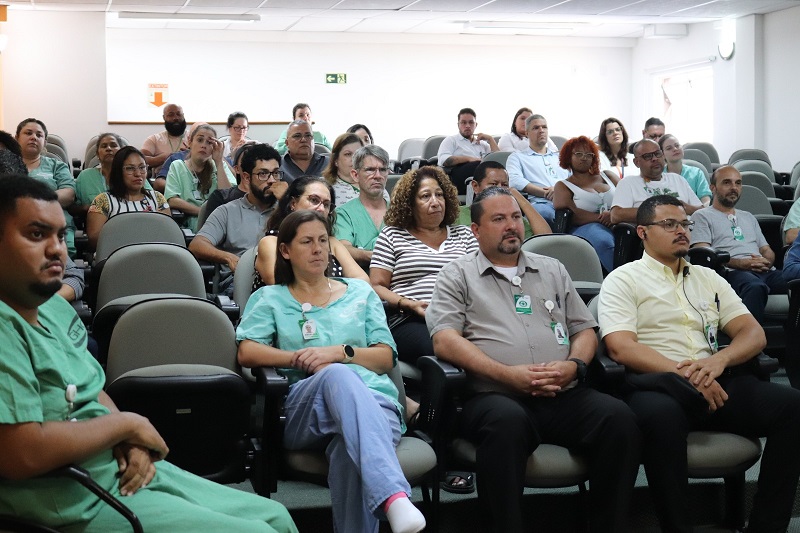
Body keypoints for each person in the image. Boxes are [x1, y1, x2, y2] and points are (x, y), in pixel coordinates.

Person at [0, 175, 298, 533]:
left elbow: (91, 389)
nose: (56, 250)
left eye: (61, 236)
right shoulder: (4, 326)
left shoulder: (53, 308)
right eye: (36, 234)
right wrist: (126, 425)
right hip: (69, 498)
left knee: (277, 517)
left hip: (115, 469)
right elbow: (22, 454)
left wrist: (128, 440)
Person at [426, 186, 641, 533]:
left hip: (562, 392)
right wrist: (506, 375)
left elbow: (584, 329)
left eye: (515, 217)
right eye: (499, 219)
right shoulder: (457, 274)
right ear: (476, 230)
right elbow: (445, 341)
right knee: (506, 424)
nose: (512, 225)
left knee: (620, 420)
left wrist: (574, 366)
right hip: (495, 396)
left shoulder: (552, 269)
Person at [599, 194, 800, 533]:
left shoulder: (709, 278)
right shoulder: (623, 279)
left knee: (793, 408)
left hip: (714, 379)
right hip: (659, 384)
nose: (682, 231)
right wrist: (688, 376)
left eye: (685, 224)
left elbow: (753, 333)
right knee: (661, 418)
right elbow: (620, 347)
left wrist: (721, 359)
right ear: (642, 232)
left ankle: (766, 526)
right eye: (669, 224)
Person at [237, 209, 426, 533]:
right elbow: (247, 351)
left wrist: (342, 352)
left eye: (323, 241)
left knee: (347, 451)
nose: (318, 249)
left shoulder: (360, 293)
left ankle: (391, 503)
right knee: (337, 375)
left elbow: (385, 358)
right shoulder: (270, 297)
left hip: (376, 403)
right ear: (285, 250)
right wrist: (299, 358)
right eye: (307, 242)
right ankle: (393, 496)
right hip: (304, 409)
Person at [370, 166, 477, 367]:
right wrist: (408, 304)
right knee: (446, 348)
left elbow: (480, 280)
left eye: (439, 195)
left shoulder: (464, 234)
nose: (435, 202)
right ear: (410, 204)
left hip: (464, 316)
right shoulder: (392, 235)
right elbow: (377, 286)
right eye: (425, 196)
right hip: (412, 319)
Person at [690, 166, 787, 322]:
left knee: (795, 279)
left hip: (764, 271)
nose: (734, 188)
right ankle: (749, 336)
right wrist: (741, 263)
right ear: (713, 188)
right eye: (727, 183)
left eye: (738, 183)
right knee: (755, 287)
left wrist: (767, 262)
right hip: (730, 272)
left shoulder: (748, 217)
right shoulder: (702, 216)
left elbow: (766, 249)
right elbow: (702, 252)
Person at [190, 144, 282, 295]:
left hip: (282, 281)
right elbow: (197, 245)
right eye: (263, 174)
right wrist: (228, 258)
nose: (272, 180)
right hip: (239, 282)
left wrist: (287, 203)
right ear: (246, 177)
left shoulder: (287, 211)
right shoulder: (227, 211)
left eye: (276, 173)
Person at [253, 176, 367, 289]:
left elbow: (363, 281)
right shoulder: (271, 242)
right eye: (314, 200)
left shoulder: (332, 243)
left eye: (326, 204)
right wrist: (335, 292)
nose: (321, 209)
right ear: (293, 203)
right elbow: (281, 288)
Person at [86, 147, 171, 248]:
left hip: (153, 252)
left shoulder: (157, 198)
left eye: (142, 167)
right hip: (115, 253)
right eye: (130, 168)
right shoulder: (103, 201)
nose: (138, 174)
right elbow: (94, 240)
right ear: (118, 172)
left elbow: (168, 233)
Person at [16, 118, 76, 258]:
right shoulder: (5, 165)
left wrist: (36, 201)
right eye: (28, 133)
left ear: (45, 142)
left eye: (39, 135)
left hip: (54, 225)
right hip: (14, 225)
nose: (34, 137)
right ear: (16, 138)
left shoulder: (57, 166)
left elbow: (69, 193)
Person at [553, 136, 616, 271]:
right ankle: (623, 280)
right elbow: (571, 215)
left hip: (618, 220)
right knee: (603, 241)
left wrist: (614, 216)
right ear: (568, 157)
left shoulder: (608, 176)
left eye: (589, 154)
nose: (584, 158)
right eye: (578, 154)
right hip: (586, 227)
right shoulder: (562, 185)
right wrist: (602, 218)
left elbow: (627, 197)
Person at [610, 139, 702, 224]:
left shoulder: (678, 179)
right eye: (647, 156)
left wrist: (685, 208)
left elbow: (701, 210)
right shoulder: (628, 183)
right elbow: (616, 215)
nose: (654, 159)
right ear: (637, 162)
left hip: (688, 230)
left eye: (657, 154)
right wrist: (663, 211)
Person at [455, 160, 551, 239]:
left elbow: (546, 240)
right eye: (493, 184)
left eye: (504, 185)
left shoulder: (513, 218)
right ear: (475, 186)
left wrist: (520, 199)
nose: (499, 189)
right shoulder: (457, 215)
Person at [164, 124, 234, 232]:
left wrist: (219, 161)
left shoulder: (220, 166)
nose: (204, 145)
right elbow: (172, 200)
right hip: (193, 225)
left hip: (221, 223)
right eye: (200, 140)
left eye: (209, 143)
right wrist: (202, 212)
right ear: (190, 142)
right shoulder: (177, 166)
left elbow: (228, 198)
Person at [334, 145, 393, 270]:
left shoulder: (399, 211)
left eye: (382, 170)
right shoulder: (343, 214)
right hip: (360, 280)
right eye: (370, 170)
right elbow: (343, 249)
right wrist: (378, 256)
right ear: (355, 175)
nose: (378, 176)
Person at [507, 114, 568, 228]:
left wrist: (559, 192)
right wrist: (545, 193)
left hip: (568, 201)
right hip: (541, 203)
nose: (541, 130)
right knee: (544, 214)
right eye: (536, 128)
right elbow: (515, 181)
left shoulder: (561, 157)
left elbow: (574, 179)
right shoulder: (517, 157)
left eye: (544, 127)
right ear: (526, 133)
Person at [437, 107, 500, 194]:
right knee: (477, 164)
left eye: (471, 122)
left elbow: (498, 160)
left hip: (482, 177)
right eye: (463, 122)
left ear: (476, 125)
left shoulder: (482, 144)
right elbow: (443, 160)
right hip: (459, 177)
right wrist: (469, 159)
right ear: (458, 125)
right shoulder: (451, 140)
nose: (467, 126)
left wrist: (490, 139)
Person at [74, 133, 134, 217]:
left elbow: (148, 199)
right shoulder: (85, 176)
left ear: (121, 152)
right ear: (97, 154)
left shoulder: (133, 173)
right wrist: (89, 208)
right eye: (104, 146)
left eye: (113, 145)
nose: (108, 148)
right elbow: (73, 207)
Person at [141, 103, 187, 191]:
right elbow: (141, 159)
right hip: (162, 183)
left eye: (178, 114)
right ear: (164, 117)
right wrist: (165, 157)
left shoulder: (193, 138)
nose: (175, 118)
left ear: (183, 116)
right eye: (171, 115)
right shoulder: (154, 139)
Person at [659, 134, 712, 206]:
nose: (675, 149)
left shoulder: (696, 173)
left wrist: (701, 210)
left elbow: (706, 200)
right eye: (669, 148)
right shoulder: (659, 176)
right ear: (662, 155)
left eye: (677, 145)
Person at [323, 132, 365, 207]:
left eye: (358, 154)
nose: (354, 159)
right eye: (348, 154)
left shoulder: (374, 183)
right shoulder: (323, 186)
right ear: (336, 160)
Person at [597, 117, 637, 184]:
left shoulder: (632, 156)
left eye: (618, 129)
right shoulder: (600, 156)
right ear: (604, 137)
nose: (615, 133)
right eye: (610, 132)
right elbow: (603, 179)